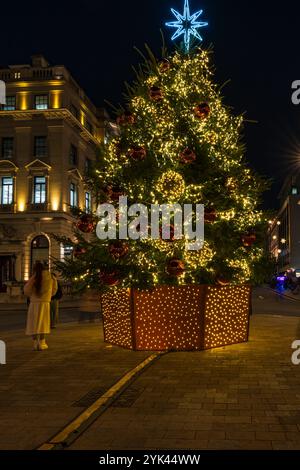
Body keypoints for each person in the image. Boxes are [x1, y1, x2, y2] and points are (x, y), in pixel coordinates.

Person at [24, 261, 57, 351]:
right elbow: (54, 290)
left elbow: (26, 290)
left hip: (34, 303)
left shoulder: (34, 277)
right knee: (43, 322)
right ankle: (42, 342)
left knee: (33, 323)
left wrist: (32, 295)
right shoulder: (51, 277)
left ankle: (35, 343)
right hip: (45, 303)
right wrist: (48, 295)